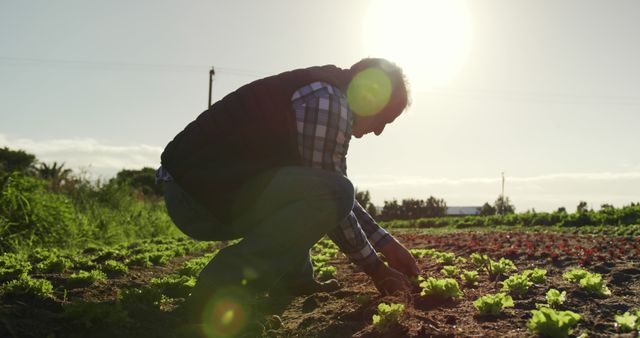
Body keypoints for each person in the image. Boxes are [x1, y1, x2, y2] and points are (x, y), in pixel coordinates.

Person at [157, 58, 419, 326]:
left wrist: (386, 243)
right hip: (194, 199)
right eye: (385, 119)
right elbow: (333, 196)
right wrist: (375, 269)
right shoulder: (328, 101)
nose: (378, 131)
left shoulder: (327, 93)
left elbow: (327, 187)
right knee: (330, 192)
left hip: (203, 190)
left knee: (319, 187)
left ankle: (293, 280)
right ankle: (217, 291)